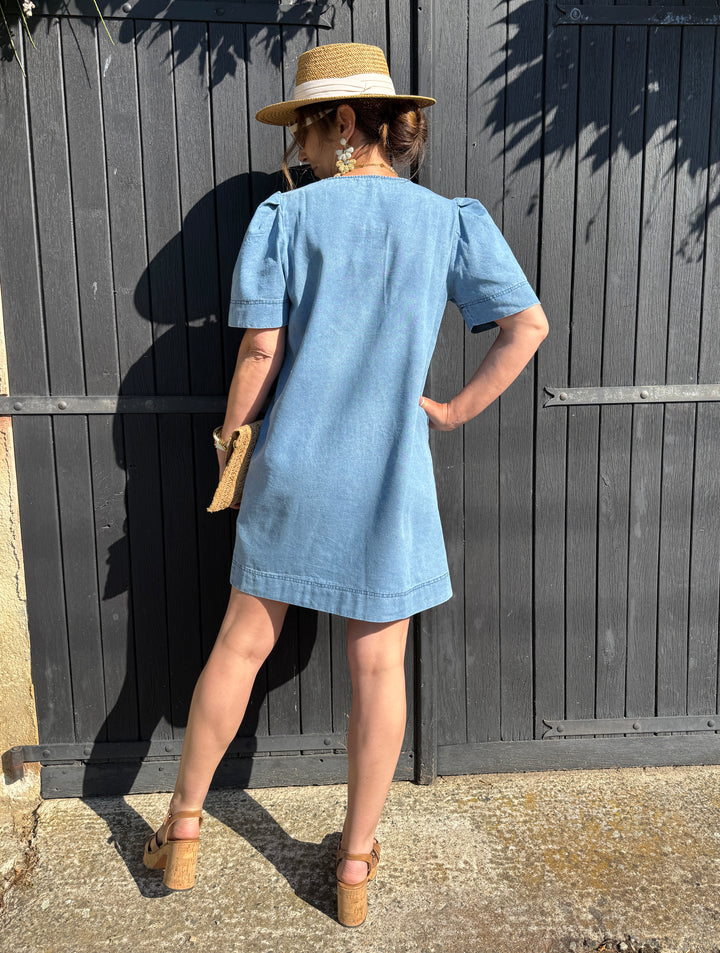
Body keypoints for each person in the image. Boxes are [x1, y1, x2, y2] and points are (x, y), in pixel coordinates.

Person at [142, 42, 548, 926]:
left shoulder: (286, 218)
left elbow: (260, 350)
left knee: (239, 646)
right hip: (390, 473)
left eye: (308, 131)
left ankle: (182, 831)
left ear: (344, 123)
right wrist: (452, 411)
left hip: (294, 466)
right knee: (378, 666)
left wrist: (231, 442)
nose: (302, 150)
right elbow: (528, 325)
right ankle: (355, 867)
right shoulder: (447, 222)